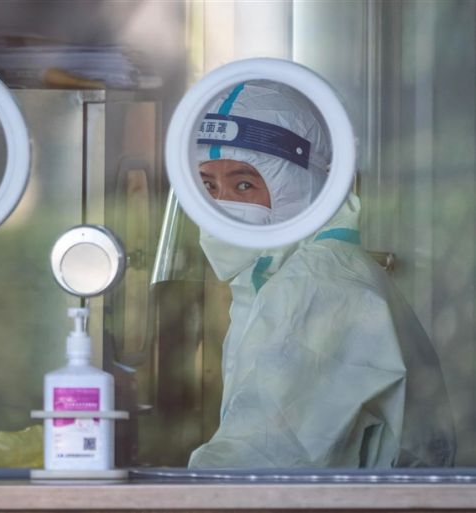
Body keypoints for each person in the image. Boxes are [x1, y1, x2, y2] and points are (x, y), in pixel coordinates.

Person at [189, 80, 456, 468]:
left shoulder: (319, 286)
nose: (221, 206)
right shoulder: (286, 276)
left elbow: (261, 459)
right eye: (208, 185)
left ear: (300, 184)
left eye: (244, 183)